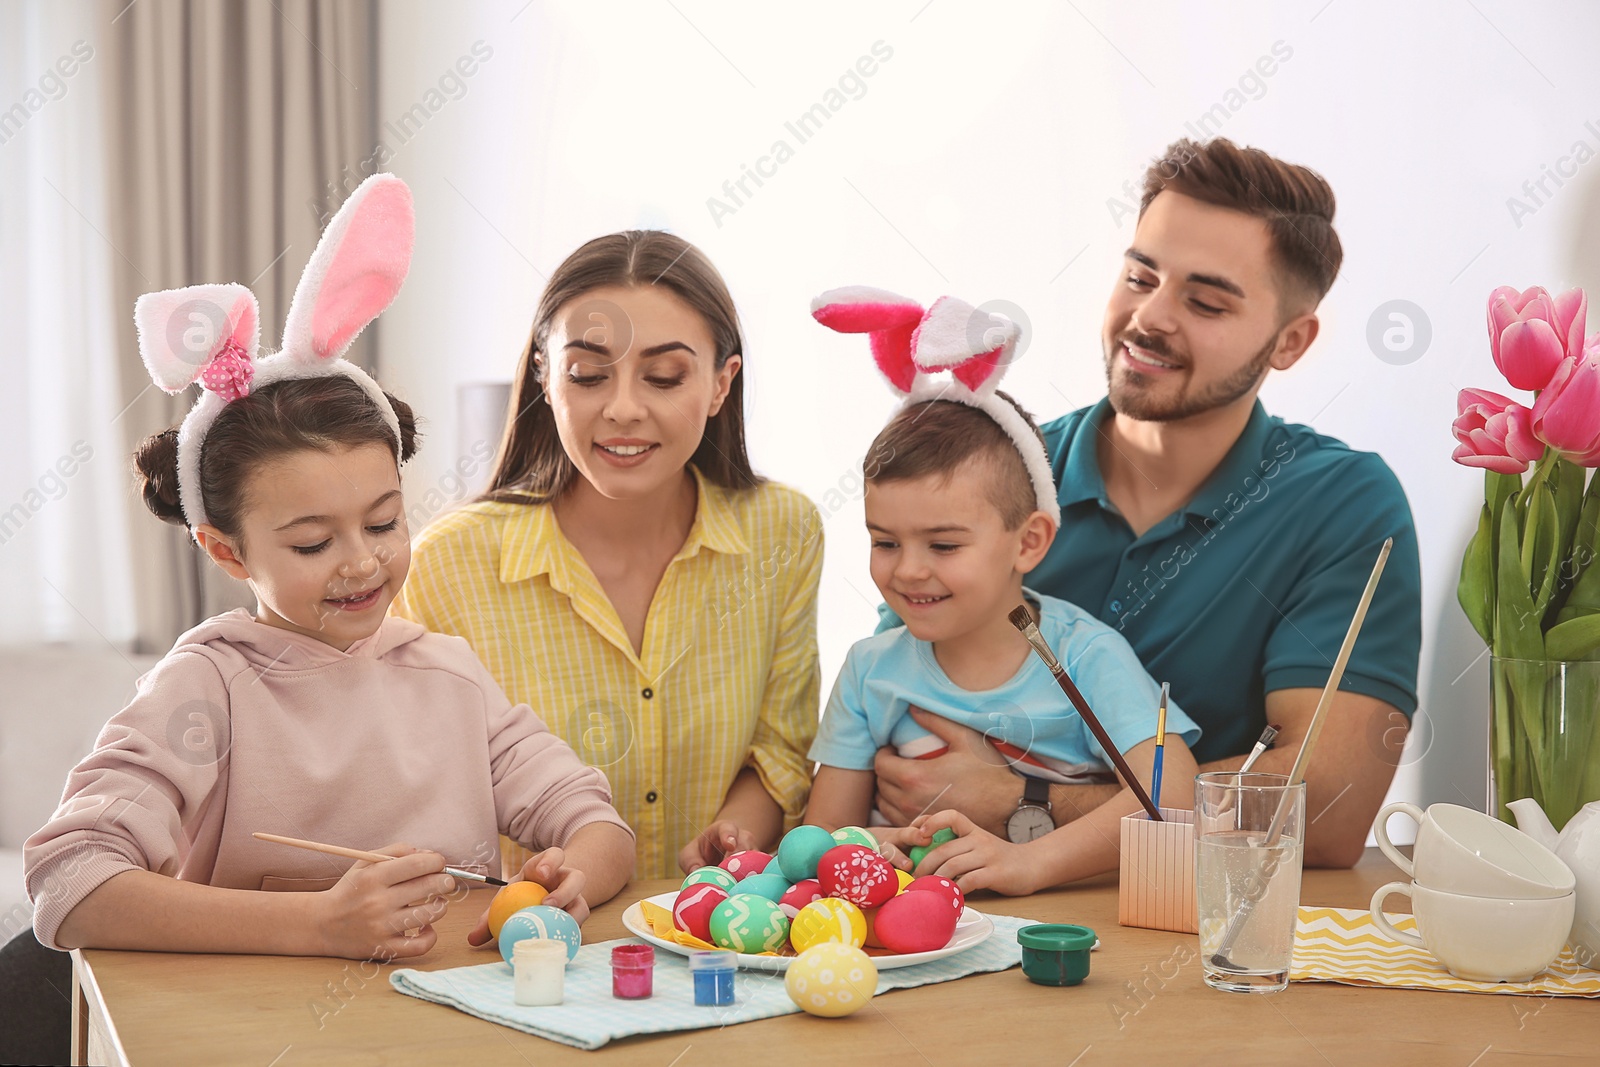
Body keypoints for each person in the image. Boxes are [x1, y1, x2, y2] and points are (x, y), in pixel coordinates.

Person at [23, 176, 634, 967]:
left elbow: (592, 817)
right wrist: (317, 926)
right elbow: (70, 883)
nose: (362, 560)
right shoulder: (208, 687)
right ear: (227, 551)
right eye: (312, 543)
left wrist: (572, 869)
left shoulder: (448, 674)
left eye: (384, 521)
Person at [871, 138, 1422, 868]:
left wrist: (1023, 801)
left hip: (1203, 943)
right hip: (967, 923)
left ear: (1290, 341)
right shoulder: (992, 477)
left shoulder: (1342, 504)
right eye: (1140, 275)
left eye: (1205, 301)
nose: (1150, 317)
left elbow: (1322, 808)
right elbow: (909, 755)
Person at [392, 231, 823, 880]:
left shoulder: (783, 532)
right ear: (545, 373)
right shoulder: (447, 564)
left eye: (665, 375)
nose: (623, 408)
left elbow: (780, 750)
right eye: (588, 375)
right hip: (526, 946)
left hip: (718, 936)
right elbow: (417, 783)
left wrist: (732, 838)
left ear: (719, 384)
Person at [802, 288, 1200, 892]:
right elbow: (824, 838)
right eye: (885, 541)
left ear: (1029, 542)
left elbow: (1174, 796)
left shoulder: (1086, 656)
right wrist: (874, 845)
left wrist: (1029, 862)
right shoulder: (867, 670)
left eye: (942, 546)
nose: (907, 571)